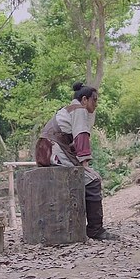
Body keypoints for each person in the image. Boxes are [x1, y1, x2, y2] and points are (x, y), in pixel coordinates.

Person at [35, 82, 119, 240]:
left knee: (87, 179)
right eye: (95, 100)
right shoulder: (79, 110)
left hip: (47, 150)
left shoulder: (69, 109)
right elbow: (81, 136)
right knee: (92, 180)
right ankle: (95, 229)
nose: (96, 104)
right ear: (85, 99)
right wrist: (84, 164)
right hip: (53, 151)